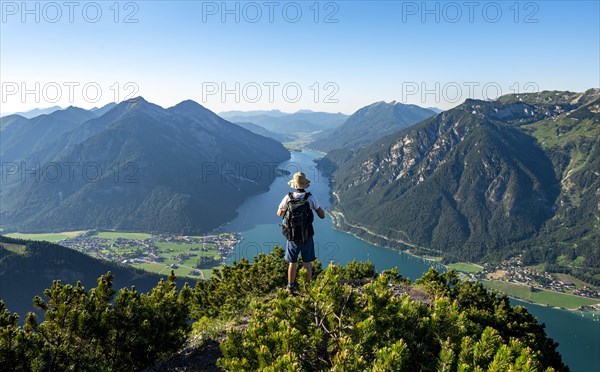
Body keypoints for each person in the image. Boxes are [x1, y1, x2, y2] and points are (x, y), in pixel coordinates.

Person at [277, 172, 325, 293]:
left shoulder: (288, 197)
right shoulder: (310, 198)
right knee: (307, 263)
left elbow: (279, 213)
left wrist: (286, 210)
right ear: (304, 184)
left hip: (292, 236)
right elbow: (322, 216)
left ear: (294, 185)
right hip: (306, 236)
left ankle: (290, 286)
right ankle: (308, 288)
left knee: (292, 263)